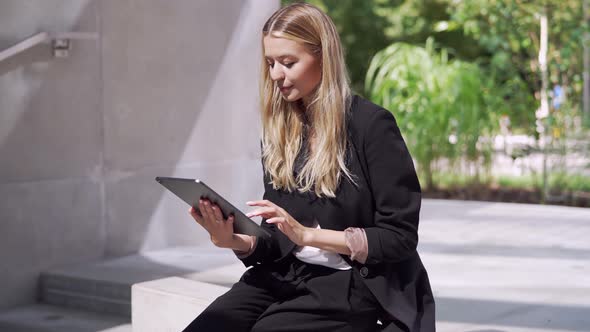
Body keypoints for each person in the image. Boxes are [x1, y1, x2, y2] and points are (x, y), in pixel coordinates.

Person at [182, 3, 435, 332]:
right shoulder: (280, 131)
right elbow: (278, 239)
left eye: (288, 62)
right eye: (270, 63)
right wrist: (233, 240)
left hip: (352, 282)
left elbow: (399, 237)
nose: (276, 75)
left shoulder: (371, 126)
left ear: (323, 57)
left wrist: (310, 235)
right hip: (285, 274)